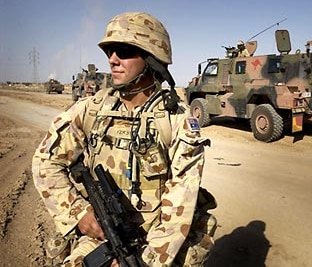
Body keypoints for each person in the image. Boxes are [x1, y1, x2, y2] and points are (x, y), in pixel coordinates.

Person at [32, 12, 217, 267]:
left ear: (152, 59)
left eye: (124, 51)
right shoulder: (91, 109)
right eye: (109, 51)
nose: (112, 60)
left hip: (157, 239)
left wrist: (145, 261)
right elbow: (45, 161)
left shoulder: (176, 121)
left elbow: (179, 207)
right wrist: (79, 213)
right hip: (101, 233)